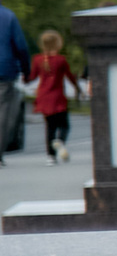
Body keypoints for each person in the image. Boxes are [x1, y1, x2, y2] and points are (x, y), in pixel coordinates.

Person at [29, 31, 82, 165]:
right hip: (58, 97)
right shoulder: (61, 60)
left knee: (49, 127)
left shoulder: (38, 59)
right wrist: (78, 88)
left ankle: (50, 157)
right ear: (58, 44)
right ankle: (60, 141)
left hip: (43, 96)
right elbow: (69, 76)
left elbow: (32, 76)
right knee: (64, 125)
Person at [0, 0, 33, 162]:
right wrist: (26, 71)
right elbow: (21, 47)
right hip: (4, 71)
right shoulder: (9, 17)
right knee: (3, 113)